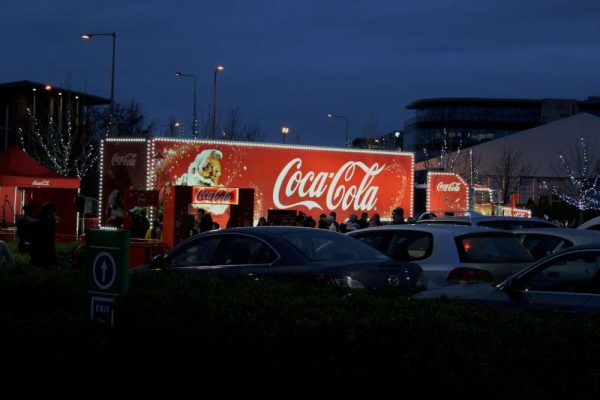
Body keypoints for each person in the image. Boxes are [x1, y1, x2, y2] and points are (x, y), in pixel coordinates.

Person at [31, 202, 57, 268]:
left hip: (36, 257)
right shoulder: (49, 222)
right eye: (55, 211)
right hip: (46, 258)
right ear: (51, 212)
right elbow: (49, 243)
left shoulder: (38, 220)